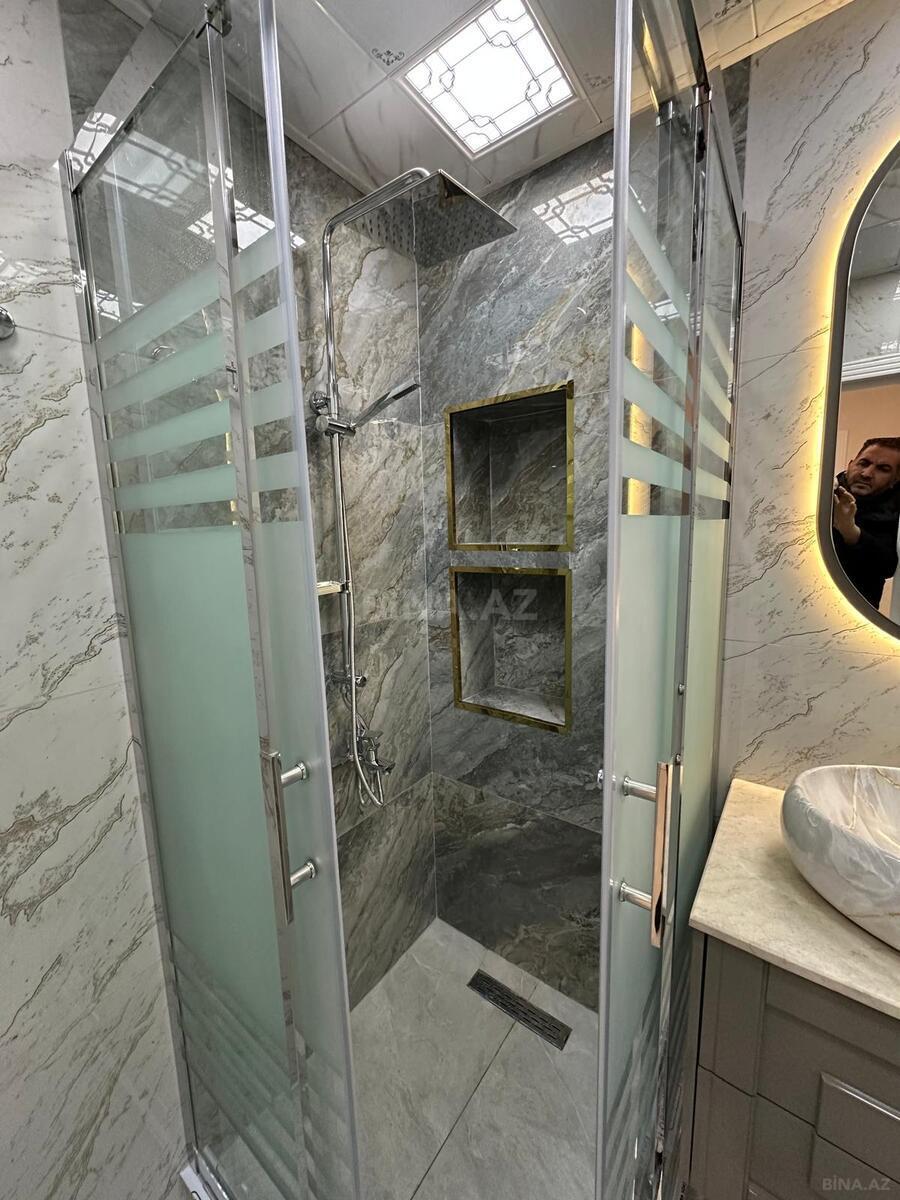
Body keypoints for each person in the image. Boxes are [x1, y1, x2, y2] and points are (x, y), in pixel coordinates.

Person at [832, 437, 900, 608]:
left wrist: (850, 531)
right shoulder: (818, 493)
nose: (867, 474)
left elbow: (888, 565)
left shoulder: (893, 516)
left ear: (895, 480)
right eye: (863, 463)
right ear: (850, 465)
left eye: (883, 469)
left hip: (851, 613)